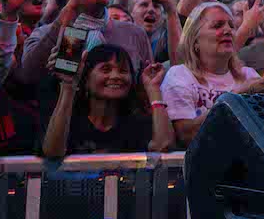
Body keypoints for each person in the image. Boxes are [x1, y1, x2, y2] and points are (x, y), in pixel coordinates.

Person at [14, 0, 153, 86]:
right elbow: (28, 80)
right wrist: (75, 8)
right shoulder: (43, 34)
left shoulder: (133, 34)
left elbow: (148, 89)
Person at [163, 2, 264, 146]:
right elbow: (186, 135)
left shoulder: (249, 76)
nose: (228, 30)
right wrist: (238, 96)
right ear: (195, 41)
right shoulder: (180, 76)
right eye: (217, 25)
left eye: (231, 26)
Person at [41, 43, 174, 156]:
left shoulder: (136, 122)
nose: (115, 76)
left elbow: (163, 145)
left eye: (123, 71)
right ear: (86, 79)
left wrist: (154, 89)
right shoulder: (67, 119)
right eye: (105, 69)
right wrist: (69, 85)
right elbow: (52, 151)